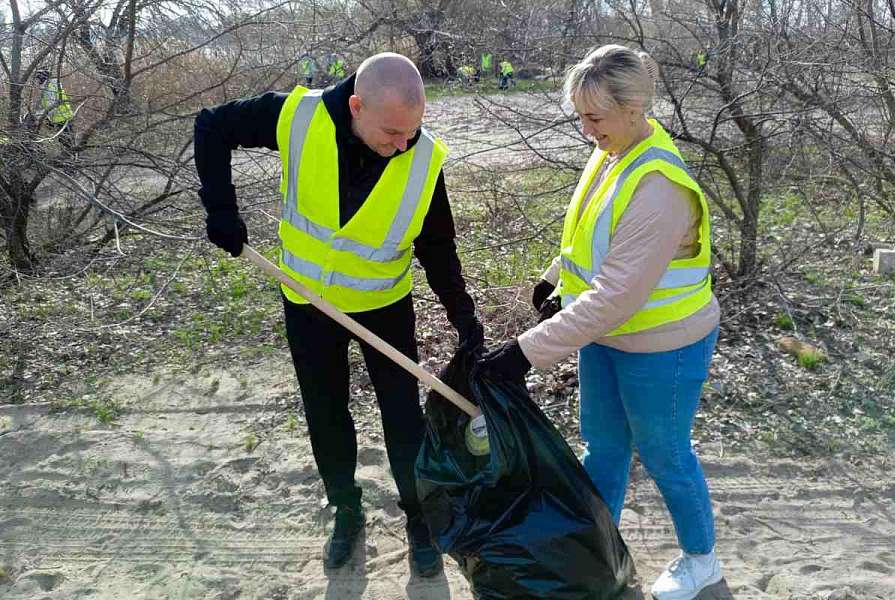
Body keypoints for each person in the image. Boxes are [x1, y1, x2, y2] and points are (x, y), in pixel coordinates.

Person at [193, 52, 484, 578]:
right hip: (307, 303)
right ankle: (346, 510)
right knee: (325, 413)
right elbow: (211, 126)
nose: (402, 145)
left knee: (402, 418)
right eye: (391, 132)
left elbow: (437, 246)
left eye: (411, 133)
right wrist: (219, 207)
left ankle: (418, 517)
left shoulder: (422, 158)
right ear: (355, 105)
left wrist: (463, 315)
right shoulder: (296, 117)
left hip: (382, 307)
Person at [477, 45, 722, 600]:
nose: (586, 130)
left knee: (665, 453)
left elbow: (616, 294)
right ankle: (596, 551)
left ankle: (701, 562)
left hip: (665, 345)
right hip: (606, 339)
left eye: (595, 117)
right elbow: (589, 235)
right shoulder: (612, 152)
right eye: (581, 117)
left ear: (634, 108)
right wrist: (553, 280)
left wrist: (525, 354)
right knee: (603, 449)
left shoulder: (661, 186)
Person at [35, 68, 75, 148]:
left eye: (38, 78)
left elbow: (52, 106)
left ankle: (72, 157)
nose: (37, 81)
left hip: (62, 118)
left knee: (66, 142)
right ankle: (72, 156)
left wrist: (39, 115)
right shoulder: (51, 86)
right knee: (67, 141)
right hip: (60, 118)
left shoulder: (49, 88)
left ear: (42, 78)